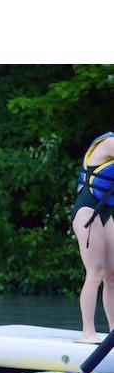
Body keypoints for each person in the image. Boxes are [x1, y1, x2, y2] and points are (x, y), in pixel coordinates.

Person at [71, 131, 114, 342]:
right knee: (95, 272)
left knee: (112, 275)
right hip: (88, 211)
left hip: (105, 214)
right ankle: (87, 332)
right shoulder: (109, 143)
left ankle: (113, 332)